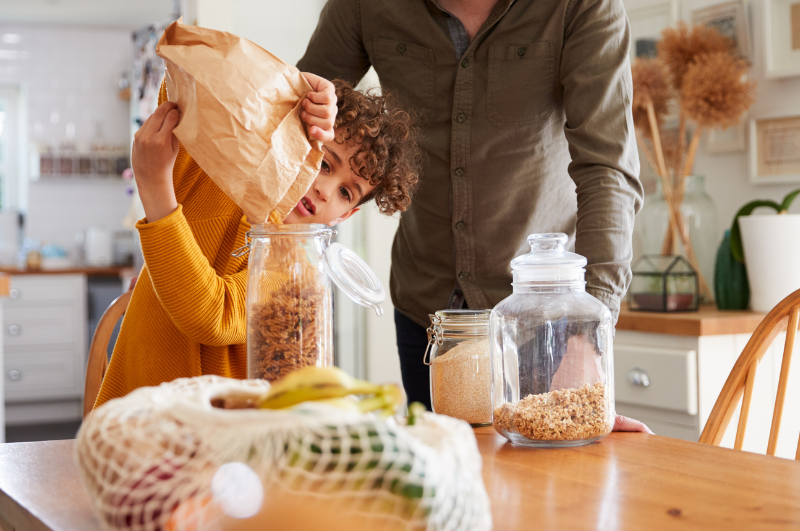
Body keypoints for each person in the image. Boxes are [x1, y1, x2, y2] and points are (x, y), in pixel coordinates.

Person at [298, 0, 652, 433]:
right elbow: (293, 113)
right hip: (426, 308)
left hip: (543, 319)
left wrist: (587, 337)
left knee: (552, 489)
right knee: (440, 481)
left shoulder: (582, 7)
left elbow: (607, 170)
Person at [94, 75, 420, 407]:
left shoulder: (296, 272)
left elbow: (211, 315)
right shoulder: (218, 169)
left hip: (221, 439)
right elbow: (183, 79)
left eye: (345, 192)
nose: (325, 189)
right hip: (132, 418)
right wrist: (288, 84)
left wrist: (154, 186)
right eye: (324, 163)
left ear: (344, 216)